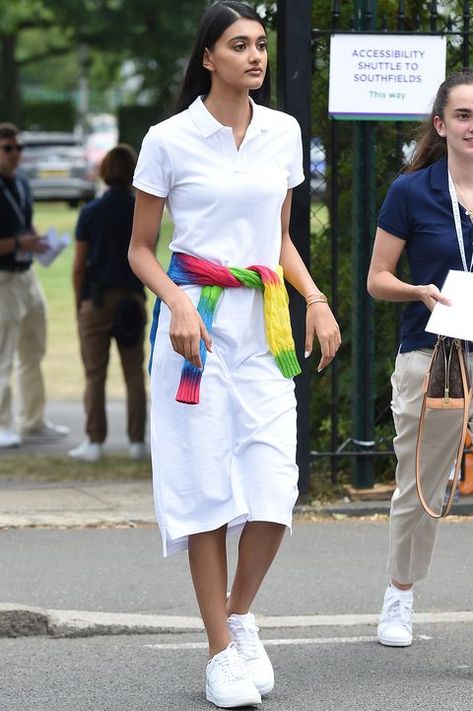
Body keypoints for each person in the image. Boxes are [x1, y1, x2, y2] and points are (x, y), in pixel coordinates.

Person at [128, 2, 341, 707]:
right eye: (238, 45)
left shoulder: (281, 131)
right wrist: (178, 301)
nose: (255, 56)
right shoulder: (168, 139)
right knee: (205, 492)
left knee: (275, 488)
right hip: (194, 332)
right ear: (207, 58)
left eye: (260, 44)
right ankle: (220, 651)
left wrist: (314, 298)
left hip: (264, 329)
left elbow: (277, 239)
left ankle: (240, 612)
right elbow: (140, 249)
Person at [367, 68, 473, 648]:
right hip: (435, 352)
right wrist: (417, 291)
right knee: (421, 481)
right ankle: (399, 596)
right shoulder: (411, 192)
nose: (472, 126)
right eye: (462, 115)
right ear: (441, 124)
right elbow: (377, 279)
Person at [69, 144, 147, 462]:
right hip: (131, 298)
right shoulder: (139, 209)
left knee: (95, 374)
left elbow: (78, 266)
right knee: (133, 373)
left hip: (98, 298)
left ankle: (95, 441)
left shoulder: (90, 213)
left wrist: (79, 303)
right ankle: (137, 441)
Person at [0, 122, 69, 448]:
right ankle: (2, 425)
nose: (16, 154)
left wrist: (38, 240)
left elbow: (25, 226)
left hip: (27, 275)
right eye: (9, 149)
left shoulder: (22, 185)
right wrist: (18, 243)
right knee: (4, 355)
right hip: (3, 279)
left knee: (33, 350)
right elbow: (14, 238)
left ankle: (32, 420)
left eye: (19, 148)